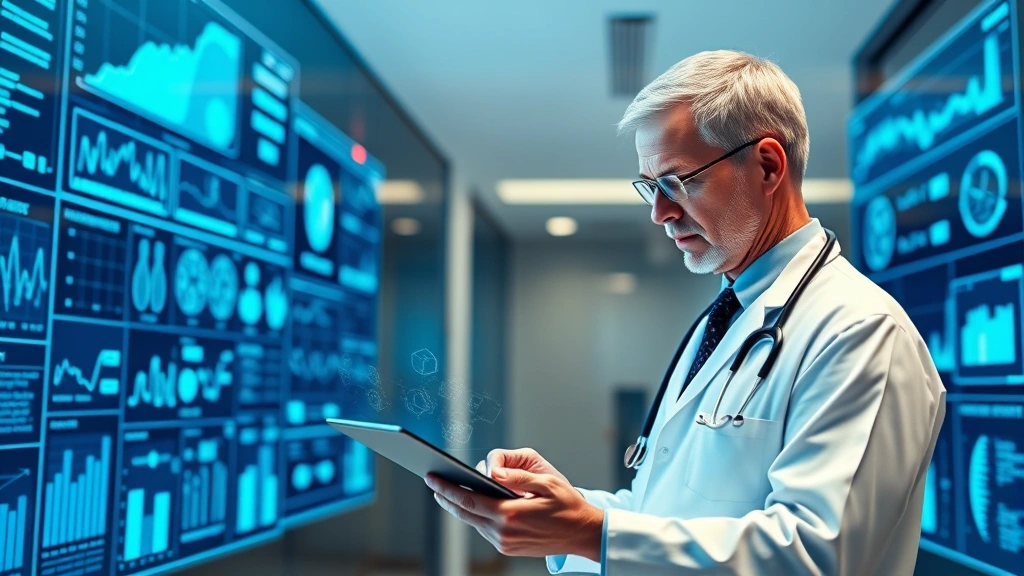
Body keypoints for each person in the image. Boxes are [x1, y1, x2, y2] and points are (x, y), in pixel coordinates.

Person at [424, 50, 946, 575]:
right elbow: (665, 512)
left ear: (767, 165)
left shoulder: (861, 332)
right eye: (651, 187)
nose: (660, 213)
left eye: (678, 182)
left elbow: (818, 556)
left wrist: (592, 533)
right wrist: (565, 512)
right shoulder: (728, 317)